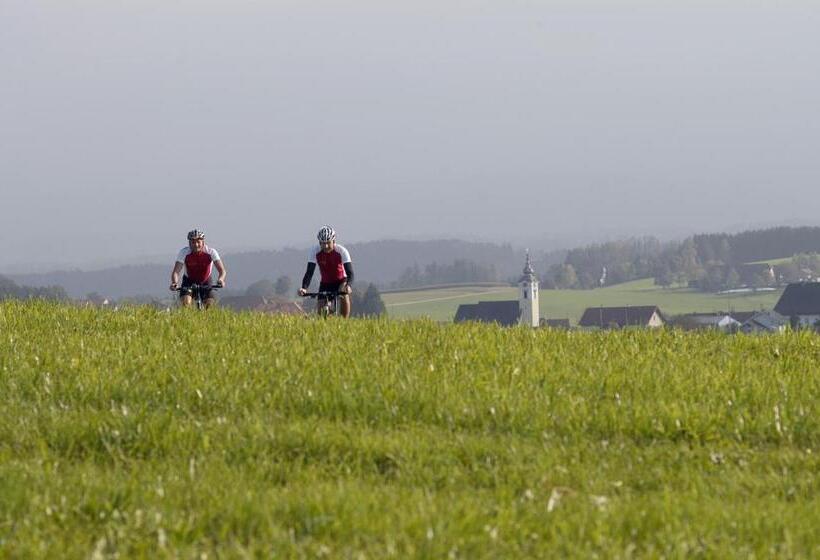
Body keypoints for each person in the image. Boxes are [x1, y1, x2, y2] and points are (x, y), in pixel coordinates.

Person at [298, 225, 354, 318]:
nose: (325, 246)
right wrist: (304, 288)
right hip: (326, 283)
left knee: (343, 292)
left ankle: (345, 321)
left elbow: (350, 272)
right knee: (321, 312)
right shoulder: (314, 251)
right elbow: (309, 272)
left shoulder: (342, 251)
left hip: (341, 280)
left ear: (334, 241)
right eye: (322, 243)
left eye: (328, 243)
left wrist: (348, 286)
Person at [169, 229, 226, 308]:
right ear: (189, 243)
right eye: (193, 242)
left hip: (206, 281)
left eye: (198, 242)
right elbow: (176, 271)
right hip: (188, 281)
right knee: (186, 304)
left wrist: (221, 280)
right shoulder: (184, 252)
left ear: (203, 242)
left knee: (209, 306)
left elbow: (222, 270)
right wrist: (174, 282)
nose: (196, 245)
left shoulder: (211, 252)